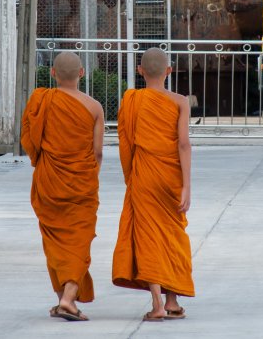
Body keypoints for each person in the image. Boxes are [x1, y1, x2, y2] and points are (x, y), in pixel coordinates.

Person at [112, 47, 195, 321]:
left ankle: (158, 303)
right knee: (172, 235)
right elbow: (184, 144)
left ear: (140, 71)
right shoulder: (180, 101)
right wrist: (187, 185)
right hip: (171, 178)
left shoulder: (131, 100)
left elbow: (125, 142)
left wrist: (131, 176)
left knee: (149, 235)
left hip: (144, 177)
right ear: (169, 71)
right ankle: (172, 301)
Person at [21, 52, 105, 322]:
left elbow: (30, 140)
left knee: (55, 241)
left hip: (49, 180)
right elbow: (98, 152)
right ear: (82, 73)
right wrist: (91, 176)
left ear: (53, 74)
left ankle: (62, 300)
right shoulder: (94, 107)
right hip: (81, 182)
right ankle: (68, 299)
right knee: (78, 240)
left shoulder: (41, 101)